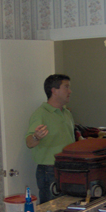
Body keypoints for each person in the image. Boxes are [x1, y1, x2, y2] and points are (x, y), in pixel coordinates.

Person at [26, 74, 75, 203]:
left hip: (68, 168)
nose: (70, 91)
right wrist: (36, 136)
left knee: (67, 208)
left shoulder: (67, 113)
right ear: (54, 90)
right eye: (66, 87)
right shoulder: (40, 114)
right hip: (50, 171)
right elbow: (29, 143)